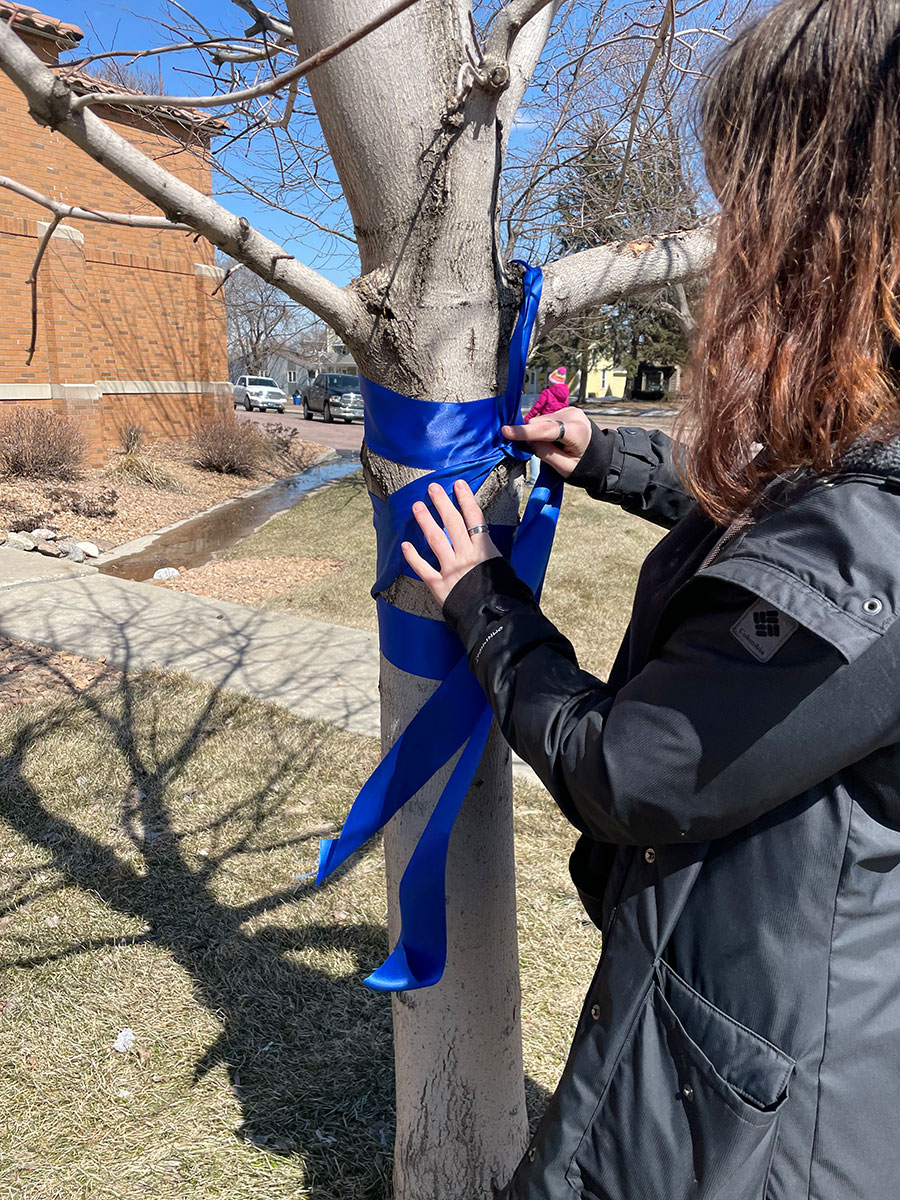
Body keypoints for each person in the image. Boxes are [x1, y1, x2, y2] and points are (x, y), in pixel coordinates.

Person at [401, 2, 900, 1196]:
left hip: (767, 1128)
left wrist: (479, 597)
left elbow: (633, 770)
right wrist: (613, 457)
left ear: (830, 226)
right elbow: (789, 533)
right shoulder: (870, 469)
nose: (732, 244)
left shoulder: (877, 536)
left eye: (750, 203)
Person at [524, 367, 570, 482]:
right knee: (553, 454)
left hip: (545, 427)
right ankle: (552, 479)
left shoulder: (547, 392)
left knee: (536, 451)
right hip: (559, 429)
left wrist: (526, 421)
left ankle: (534, 478)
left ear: (552, 381)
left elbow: (536, 408)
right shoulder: (565, 396)